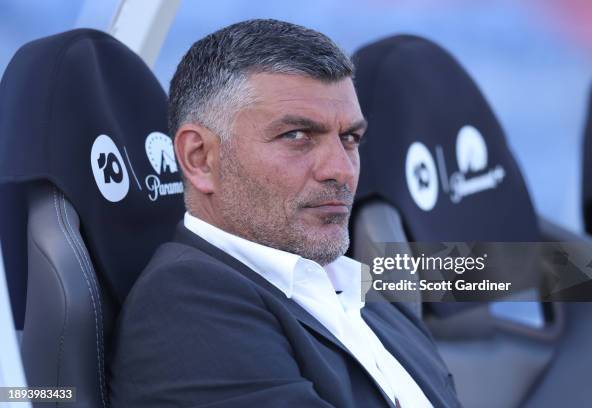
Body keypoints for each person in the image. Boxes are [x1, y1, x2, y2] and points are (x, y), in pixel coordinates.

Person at [109, 19, 460, 408]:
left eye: (350, 139)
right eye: (296, 136)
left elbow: (525, 271)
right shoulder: (186, 305)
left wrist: (536, 270)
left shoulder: (370, 290)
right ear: (199, 158)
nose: (341, 170)